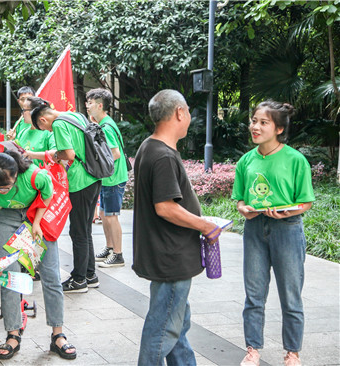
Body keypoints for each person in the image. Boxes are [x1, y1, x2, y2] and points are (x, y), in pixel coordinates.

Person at [132, 90, 221, 365]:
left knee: (177, 324)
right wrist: (204, 224)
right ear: (180, 112)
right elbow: (165, 207)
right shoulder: (163, 156)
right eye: (188, 112)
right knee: (163, 329)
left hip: (166, 254)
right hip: (170, 257)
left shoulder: (150, 146)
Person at [232, 101, 314, 366]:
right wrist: (243, 209)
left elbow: (305, 201)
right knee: (254, 295)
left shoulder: (295, 160)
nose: (255, 127)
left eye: (263, 122)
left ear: (279, 128)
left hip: (287, 230)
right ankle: (252, 349)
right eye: (254, 121)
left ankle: (292, 352)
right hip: (254, 228)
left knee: (291, 295)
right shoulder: (246, 161)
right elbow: (240, 200)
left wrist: (288, 212)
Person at [0, 151, 77, 360]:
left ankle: (58, 335)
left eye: (5, 187)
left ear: (16, 175)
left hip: (37, 214)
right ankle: (13, 334)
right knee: (9, 277)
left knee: (51, 274)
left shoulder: (34, 175)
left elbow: (48, 193)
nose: (0, 191)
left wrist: (37, 222)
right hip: (7, 217)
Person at [30, 97, 102, 293]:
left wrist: (55, 155)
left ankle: (79, 280)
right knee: (85, 229)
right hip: (94, 177)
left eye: (45, 129)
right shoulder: (75, 115)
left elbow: (69, 154)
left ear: (43, 120)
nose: (49, 131)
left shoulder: (59, 124)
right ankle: (90, 274)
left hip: (79, 181)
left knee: (78, 232)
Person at [86, 88, 128, 268]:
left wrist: (99, 162)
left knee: (111, 216)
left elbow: (115, 153)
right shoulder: (105, 122)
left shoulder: (106, 127)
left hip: (113, 178)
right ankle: (110, 247)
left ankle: (118, 254)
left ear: (100, 105)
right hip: (108, 178)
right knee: (104, 214)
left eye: (90, 103)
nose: (87, 106)